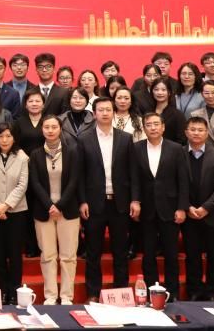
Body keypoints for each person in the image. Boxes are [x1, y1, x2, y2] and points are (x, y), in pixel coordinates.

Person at [78, 96, 134, 299]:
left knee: (120, 252)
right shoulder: (84, 138)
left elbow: (133, 172)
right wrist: (82, 201)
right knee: (93, 253)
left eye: (108, 110)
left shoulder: (125, 138)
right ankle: (93, 293)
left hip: (120, 203)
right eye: (100, 110)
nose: (104, 113)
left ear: (114, 112)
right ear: (94, 114)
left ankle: (121, 292)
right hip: (94, 204)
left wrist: (135, 199)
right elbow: (79, 173)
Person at [131, 112, 189, 298]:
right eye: (149, 124)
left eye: (156, 124)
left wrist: (181, 207)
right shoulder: (136, 148)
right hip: (146, 208)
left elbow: (183, 180)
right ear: (144, 128)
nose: (153, 128)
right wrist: (135, 200)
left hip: (170, 208)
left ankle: (173, 292)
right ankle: (151, 292)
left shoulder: (176, 149)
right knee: (148, 254)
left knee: (171, 254)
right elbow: (134, 179)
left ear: (163, 127)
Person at [28, 115, 80, 305]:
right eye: (46, 127)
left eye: (54, 127)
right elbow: (35, 183)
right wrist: (50, 205)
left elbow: (74, 181)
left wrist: (60, 205)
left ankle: (66, 296)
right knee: (48, 255)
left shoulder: (72, 151)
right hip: (44, 211)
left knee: (68, 256)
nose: (50, 130)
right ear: (42, 130)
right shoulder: (35, 154)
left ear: (60, 129)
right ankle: (50, 295)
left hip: (68, 211)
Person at [181, 117, 214, 302]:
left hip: (212, 213)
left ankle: (213, 291)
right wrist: (187, 207)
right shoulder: (179, 153)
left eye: (200, 130)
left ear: (207, 133)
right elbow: (175, 183)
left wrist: (206, 207)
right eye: (192, 129)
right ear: (186, 132)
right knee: (192, 255)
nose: (196, 133)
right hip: (189, 213)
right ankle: (194, 290)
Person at [0, 123, 29, 303]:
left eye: (8, 136)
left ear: (14, 138)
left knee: (14, 254)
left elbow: (22, 185)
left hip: (16, 212)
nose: (4, 140)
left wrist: (6, 205)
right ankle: (2, 291)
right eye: (1, 136)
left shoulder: (22, 157)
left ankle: (14, 291)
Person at [147, 80, 188, 145]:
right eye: (156, 89)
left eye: (163, 90)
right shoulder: (147, 113)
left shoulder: (177, 115)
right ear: (152, 92)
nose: (160, 93)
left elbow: (182, 139)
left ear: (169, 92)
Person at [12, 91, 48, 156]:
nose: (34, 104)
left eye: (37, 101)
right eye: (30, 101)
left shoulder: (48, 121)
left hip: (46, 158)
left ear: (43, 105)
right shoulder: (19, 122)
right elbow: (14, 143)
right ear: (26, 105)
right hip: (23, 159)